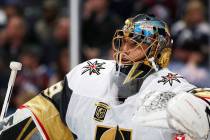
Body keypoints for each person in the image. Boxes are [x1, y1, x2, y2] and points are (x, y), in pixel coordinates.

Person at [0, 14, 210, 140]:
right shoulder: (89, 73)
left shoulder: (174, 89)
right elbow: (39, 112)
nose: (126, 49)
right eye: (125, 41)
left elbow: (201, 99)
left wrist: (204, 111)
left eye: (138, 43)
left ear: (160, 53)